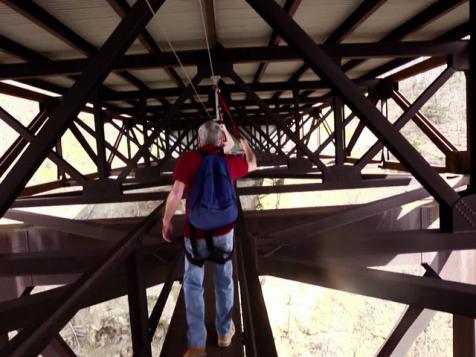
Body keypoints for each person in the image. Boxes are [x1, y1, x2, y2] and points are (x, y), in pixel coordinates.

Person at [162, 120, 256, 357]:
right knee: (224, 281)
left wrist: (166, 220)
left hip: (195, 234)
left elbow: (176, 192)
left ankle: (197, 345)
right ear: (221, 141)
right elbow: (253, 164)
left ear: (199, 140)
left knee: (194, 285)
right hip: (224, 232)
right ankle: (224, 333)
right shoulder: (230, 162)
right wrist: (245, 147)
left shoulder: (188, 159)